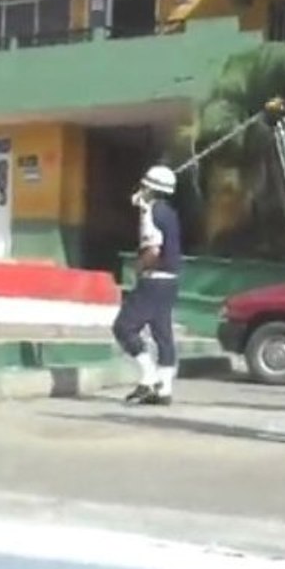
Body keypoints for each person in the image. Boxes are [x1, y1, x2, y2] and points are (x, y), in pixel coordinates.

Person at [113, 165, 183, 406]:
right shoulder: (169, 212)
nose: (140, 189)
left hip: (153, 280)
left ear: (151, 189)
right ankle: (164, 389)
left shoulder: (151, 212)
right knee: (163, 334)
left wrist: (139, 267)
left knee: (124, 327)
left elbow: (153, 250)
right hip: (170, 281)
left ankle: (149, 378)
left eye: (144, 186)